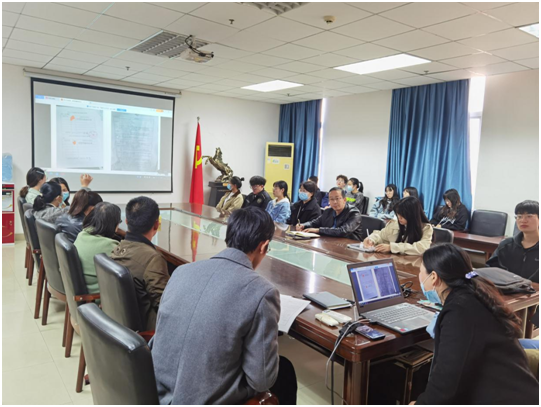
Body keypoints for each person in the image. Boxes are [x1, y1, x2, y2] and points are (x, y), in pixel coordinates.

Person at [151, 207, 297, 405]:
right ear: (264, 246)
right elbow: (261, 380)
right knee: (284, 371)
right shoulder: (262, 292)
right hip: (201, 399)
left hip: (156, 391)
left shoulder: (181, 272)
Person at [412, 243, 538, 405]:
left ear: (434, 277)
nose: (419, 276)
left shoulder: (460, 311)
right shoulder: (474, 294)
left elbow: (447, 381)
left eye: (420, 271)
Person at [110, 197, 170, 331]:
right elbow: (165, 305)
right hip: (145, 329)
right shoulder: (153, 259)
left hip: (117, 322)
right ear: (156, 225)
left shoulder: (117, 248)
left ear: (126, 221)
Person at [74, 202, 121, 294]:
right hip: (96, 293)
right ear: (114, 224)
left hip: (80, 286)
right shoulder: (110, 245)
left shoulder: (82, 234)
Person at [487, 200, 539, 283]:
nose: (523, 220)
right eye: (519, 216)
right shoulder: (506, 245)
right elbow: (490, 269)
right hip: (506, 288)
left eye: (529, 216)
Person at [364, 197, 433, 255]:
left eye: (402, 215)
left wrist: (392, 247)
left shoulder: (426, 228)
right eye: (398, 214)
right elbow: (381, 235)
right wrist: (372, 239)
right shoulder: (395, 224)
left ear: (412, 215)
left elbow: (421, 248)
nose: (399, 218)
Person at [297, 187, 362, 241]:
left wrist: (318, 230)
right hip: (330, 242)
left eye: (337, 198)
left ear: (344, 200)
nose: (334, 202)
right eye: (331, 199)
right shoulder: (328, 211)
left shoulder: (354, 213)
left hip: (349, 245)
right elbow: (314, 223)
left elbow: (343, 231)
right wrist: (304, 225)